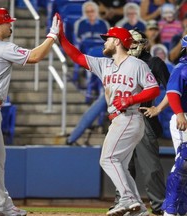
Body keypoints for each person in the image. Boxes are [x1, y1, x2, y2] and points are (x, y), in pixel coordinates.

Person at [0, 8, 60, 216]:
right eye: (7, 22)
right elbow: (34, 56)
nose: (10, 25)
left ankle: (2, 205)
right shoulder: (1, 47)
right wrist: (52, 36)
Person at [57, 13, 160, 215]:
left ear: (118, 41)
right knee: (119, 163)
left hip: (129, 116)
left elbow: (153, 89)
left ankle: (127, 198)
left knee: (107, 159)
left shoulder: (137, 64)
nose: (105, 41)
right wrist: (61, 36)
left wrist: (131, 99)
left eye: (109, 38)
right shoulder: (105, 64)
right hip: (119, 119)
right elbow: (77, 56)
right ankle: (138, 208)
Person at [110, 29, 169, 216]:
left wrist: (157, 108)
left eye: (135, 42)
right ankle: (123, 202)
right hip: (122, 116)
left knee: (150, 166)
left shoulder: (154, 62)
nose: (132, 45)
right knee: (123, 165)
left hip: (143, 116)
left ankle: (159, 206)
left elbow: (173, 89)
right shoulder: (119, 61)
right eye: (130, 42)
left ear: (142, 44)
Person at [142, 35, 187, 216]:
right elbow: (173, 93)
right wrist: (179, 113)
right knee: (184, 161)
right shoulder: (181, 68)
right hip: (184, 118)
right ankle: (170, 208)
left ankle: (182, 207)